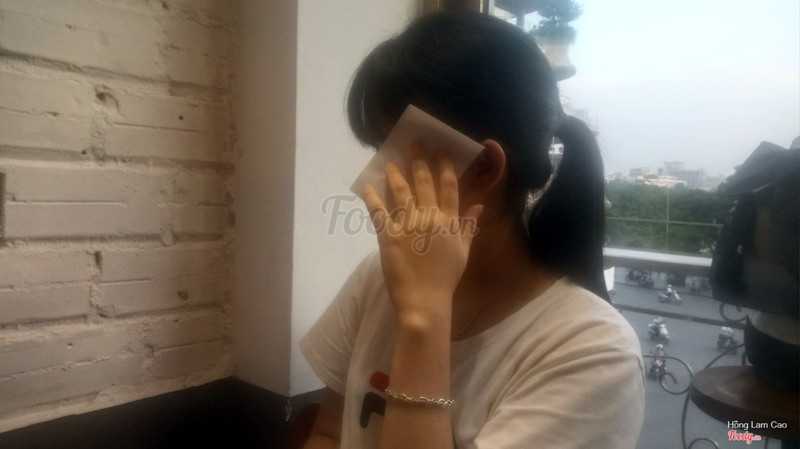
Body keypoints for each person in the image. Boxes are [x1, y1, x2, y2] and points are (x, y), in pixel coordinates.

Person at [300, 12, 644, 449]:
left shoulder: (592, 352)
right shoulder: (377, 278)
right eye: (375, 150)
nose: (374, 179)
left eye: (392, 150)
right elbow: (329, 432)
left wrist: (424, 317)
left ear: (484, 167)